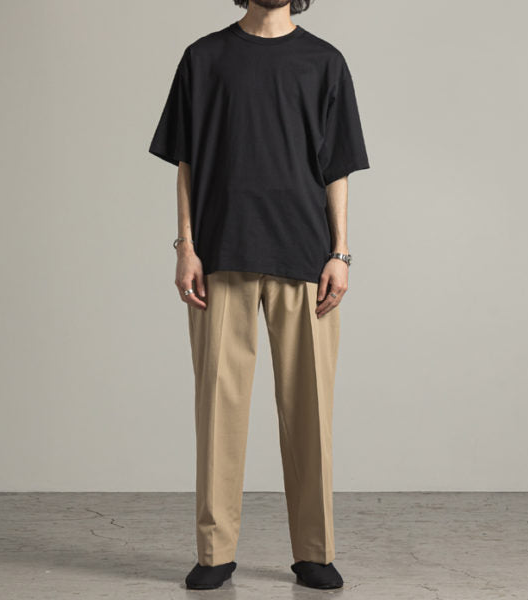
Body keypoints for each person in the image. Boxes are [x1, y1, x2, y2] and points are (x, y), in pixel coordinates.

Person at [149, 0, 370, 590]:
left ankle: (315, 551)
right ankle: (214, 553)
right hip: (222, 253)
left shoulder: (324, 62)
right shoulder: (204, 59)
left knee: (311, 411)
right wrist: (186, 245)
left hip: (306, 257)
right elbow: (186, 162)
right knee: (217, 412)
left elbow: (338, 167)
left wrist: (341, 252)